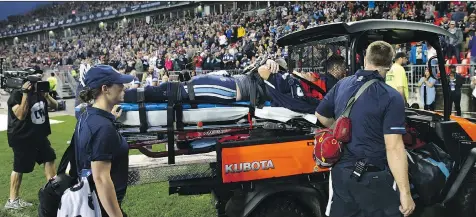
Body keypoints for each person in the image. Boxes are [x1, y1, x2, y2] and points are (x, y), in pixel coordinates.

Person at [315, 41, 415, 217]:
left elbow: (320, 114)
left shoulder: (342, 84)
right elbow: (394, 148)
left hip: (341, 173)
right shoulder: (391, 97)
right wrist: (405, 193)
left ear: (365, 60)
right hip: (373, 178)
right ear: (390, 64)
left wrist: (339, 128)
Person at [124, 58, 319, 114]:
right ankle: (127, 95)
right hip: (231, 82)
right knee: (178, 88)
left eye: (312, 74)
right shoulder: (289, 78)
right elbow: (264, 69)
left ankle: (126, 96)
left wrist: (267, 67)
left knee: (176, 91)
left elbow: (264, 75)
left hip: (232, 88)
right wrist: (271, 61)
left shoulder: (296, 92)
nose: (309, 73)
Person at [75, 65, 133, 217]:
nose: (123, 87)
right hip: (103, 208)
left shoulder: (88, 116)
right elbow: (101, 179)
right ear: (105, 88)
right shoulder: (102, 128)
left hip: (93, 202)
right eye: (119, 84)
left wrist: (111, 118)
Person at [5, 72, 59, 210]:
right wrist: (25, 94)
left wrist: (47, 96)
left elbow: (55, 106)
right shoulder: (17, 94)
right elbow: (21, 115)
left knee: (49, 158)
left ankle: (52, 194)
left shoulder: (41, 93)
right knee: (20, 167)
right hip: (22, 137)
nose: (38, 85)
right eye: (36, 83)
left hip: (39, 135)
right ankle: (12, 201)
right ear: (28, 84)